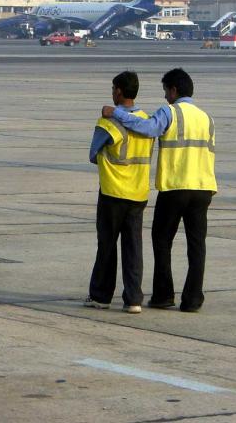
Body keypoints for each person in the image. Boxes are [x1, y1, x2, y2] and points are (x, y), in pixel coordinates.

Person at [101, 68, 216, 313]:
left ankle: (164, 295)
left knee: (162, 241)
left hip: (175, 187)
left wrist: (117, 113)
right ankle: (192, 299)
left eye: (166, 91)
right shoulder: (207, 118)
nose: (165, 97)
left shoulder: (170, 112)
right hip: (203, 189)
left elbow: (148, 128)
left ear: (174, 90)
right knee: (197, 246)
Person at [84, 71, 154, 314]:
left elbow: (93, 154)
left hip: (113, 192)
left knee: (107, 246)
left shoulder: (107, 122)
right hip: (138, 192)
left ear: (119, 91)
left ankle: (101, 295)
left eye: (113, 89)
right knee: (134, 248)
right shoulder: (147, 121)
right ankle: (133, 299)